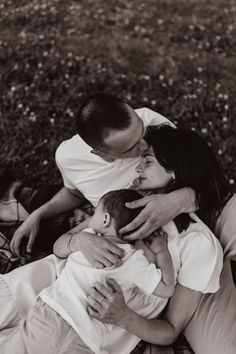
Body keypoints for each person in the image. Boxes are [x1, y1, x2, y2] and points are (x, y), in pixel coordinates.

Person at [83, 126, 236, 354]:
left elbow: (171, 326)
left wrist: (125, 317)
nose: (137, 167)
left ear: (173, 169)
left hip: (194, 293)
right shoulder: (130, 202)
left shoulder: (199, 238)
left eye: (147, 161)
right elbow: (70, 238)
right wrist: (80, 242)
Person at [10, 94, 197, 263]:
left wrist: (175, 201)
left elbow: (198, 174)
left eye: (141, 131)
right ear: (101, 153)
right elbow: (75, 193)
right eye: (131, 148)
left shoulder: (154, 124)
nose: (145, 144)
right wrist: (39, 215)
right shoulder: (69, 158)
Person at [1, 189, 177, 354]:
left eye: (94, 213)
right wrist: (161, 250)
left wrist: (78, 240)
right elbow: (167, 288)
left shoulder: (88, 235)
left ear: (106, 219)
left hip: (48, 313)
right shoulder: (133, 260)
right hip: (83, 338)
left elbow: (59, 248)